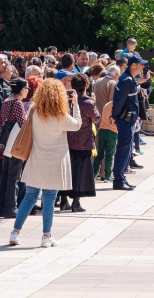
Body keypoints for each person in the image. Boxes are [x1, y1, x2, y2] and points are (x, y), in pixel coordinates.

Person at [9, 78, 82, 247]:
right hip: (55, 161)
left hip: (36, 158)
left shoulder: (34, 111)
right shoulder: (61, 114)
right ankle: (46, 236)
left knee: (29, 197)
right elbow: (77, 125)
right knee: (49, 198)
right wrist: (75, 105)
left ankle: (15, 232)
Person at [59, 74, 100, 212]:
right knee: (80, 173)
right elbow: (96, 119)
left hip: (66, 140)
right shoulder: (88, 102)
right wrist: (94, 101)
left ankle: (63, 200)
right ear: (86, 86)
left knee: (66, 171)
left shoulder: (65, 100)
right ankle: (76, 201)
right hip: (83, 141)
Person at [111, 54, 147, 190]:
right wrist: (114, 116)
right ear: (134, 65)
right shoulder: (127, 80)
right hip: (125, 120)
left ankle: (121, 178)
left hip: (128, 119)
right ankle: (119, 180)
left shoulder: (128, 79)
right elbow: (120, 100)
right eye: (141, 64)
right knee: (123, 149)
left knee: (127, 149)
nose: (143, 67)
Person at [0, 78, 29, 218]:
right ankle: (11, 208)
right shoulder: (18, 104)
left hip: (5, 143)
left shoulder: (6, 101)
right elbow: (23, 124)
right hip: (15, 144)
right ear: (22, 89)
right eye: (27, 88)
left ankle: (2, 208)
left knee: (5, 176)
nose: (28, 90)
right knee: (14, 177)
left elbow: (0, 121)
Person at [94, 99, 117, 181]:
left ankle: (94, 173)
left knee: (100, 154)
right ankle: (107, 176)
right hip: (112, 132)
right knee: (109, 155)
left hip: (102, 130)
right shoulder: (118, 106)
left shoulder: (107, 105)